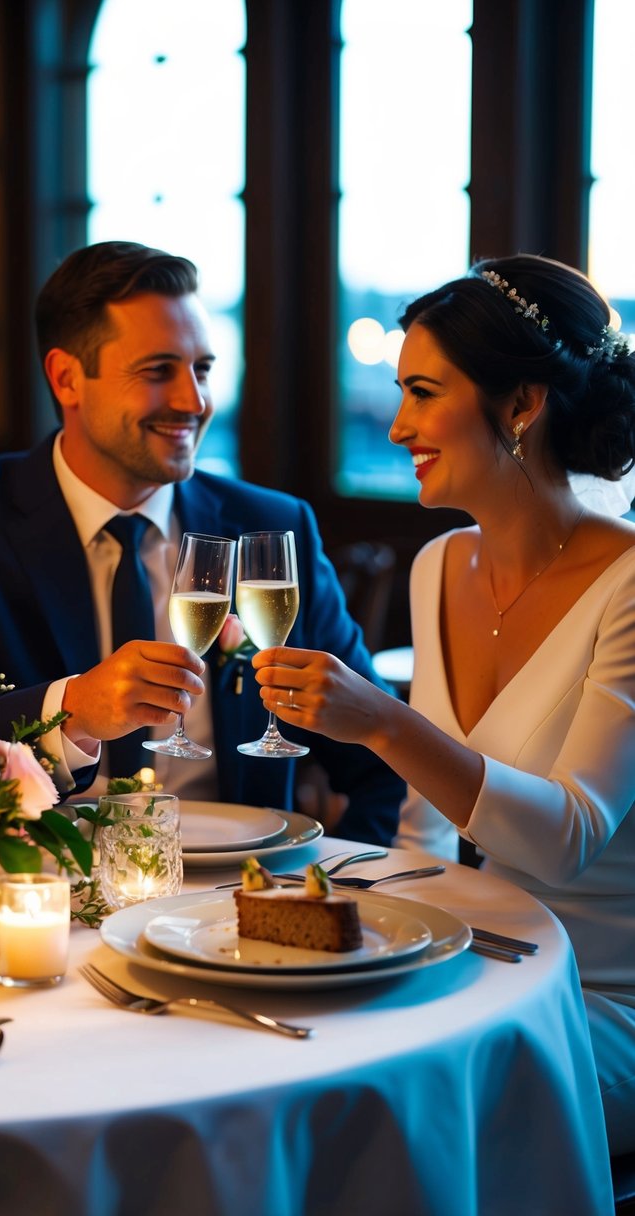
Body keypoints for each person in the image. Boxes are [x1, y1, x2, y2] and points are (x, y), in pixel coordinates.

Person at [252, 253, 635, 1153]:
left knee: (367, 1109)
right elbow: (426, 832)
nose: (395, 428)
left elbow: (567, 837)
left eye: (422, 393)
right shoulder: (438, 568)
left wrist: (384, 724)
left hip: (586, 997)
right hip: (445, 957)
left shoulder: (626, 584)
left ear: (520, 406)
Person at [0, 240, 404, 843]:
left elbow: (382, 762)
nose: (194, 402)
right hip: (43, 898)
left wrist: (336, 895)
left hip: (233, 910)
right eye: (158, 372)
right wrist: (76, 710)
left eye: (201, 369)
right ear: (67, 378)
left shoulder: (274, 530)